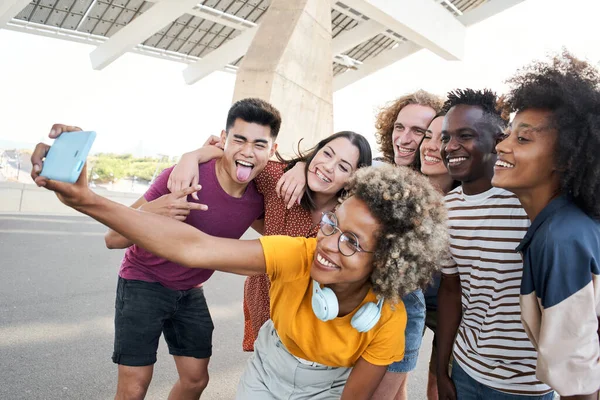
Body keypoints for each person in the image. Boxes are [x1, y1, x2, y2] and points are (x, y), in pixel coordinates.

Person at [31, 132, 449, 399]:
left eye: (352, 242)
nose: (328, 245)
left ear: (390, 261)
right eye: (332, 225)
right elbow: (196, 247)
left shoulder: (388, 319)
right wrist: (86, 199)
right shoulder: (299, 250)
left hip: (330, 385)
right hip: (267, 368)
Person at [41, 98, 282, 400]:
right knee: (134, 387)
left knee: (195, 379)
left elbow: (282, 230)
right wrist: (155, 209)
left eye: (259, 144)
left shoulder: (258, 200)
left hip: (190, 290)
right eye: (239, 140)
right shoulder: (183, 177)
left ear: (271, 151)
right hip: (143, 281)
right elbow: (113, 238)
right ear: (224, 139)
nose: (248, 151)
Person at [167, 131, 373, 351]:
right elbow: (232, 154)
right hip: (264, 299)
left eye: (343, 167)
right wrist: (191, 157)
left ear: (353, 179)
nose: (328, 166)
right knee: (263, 365)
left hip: (313, 316)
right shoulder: (278, 178)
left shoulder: (350, 217)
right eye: (326, 154)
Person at [492, 52, 600, 399]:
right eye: (507, 134)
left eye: (523, 139)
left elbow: (579, 387)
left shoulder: (560, 239)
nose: (502, 146)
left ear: (567, 158)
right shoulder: (561, 225)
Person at [436, 89, 554, 400]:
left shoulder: (529, 200)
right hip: (466, 368)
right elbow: (451, 288)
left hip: (527, 384)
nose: (451, 146)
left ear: (497, 140)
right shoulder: (445, 209)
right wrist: (440, 370)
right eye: (446, 137)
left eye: (465, 135)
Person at [371, 90, 445, 400]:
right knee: (392, 384)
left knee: (439, 389)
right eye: (399, 127)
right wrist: (297, 167)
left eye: (420, 131)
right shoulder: (379, 171)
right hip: (405, 298)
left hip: (451, 301)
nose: (405, 137)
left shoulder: (452, 173)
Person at [418, 112, 459, 400]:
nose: (430, 145)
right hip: (410, 300)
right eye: (427, 136)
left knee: (441, 385)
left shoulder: (470, 200)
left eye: (442, 138)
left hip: (454, 306)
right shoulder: (403, 186)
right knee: (392, 376)